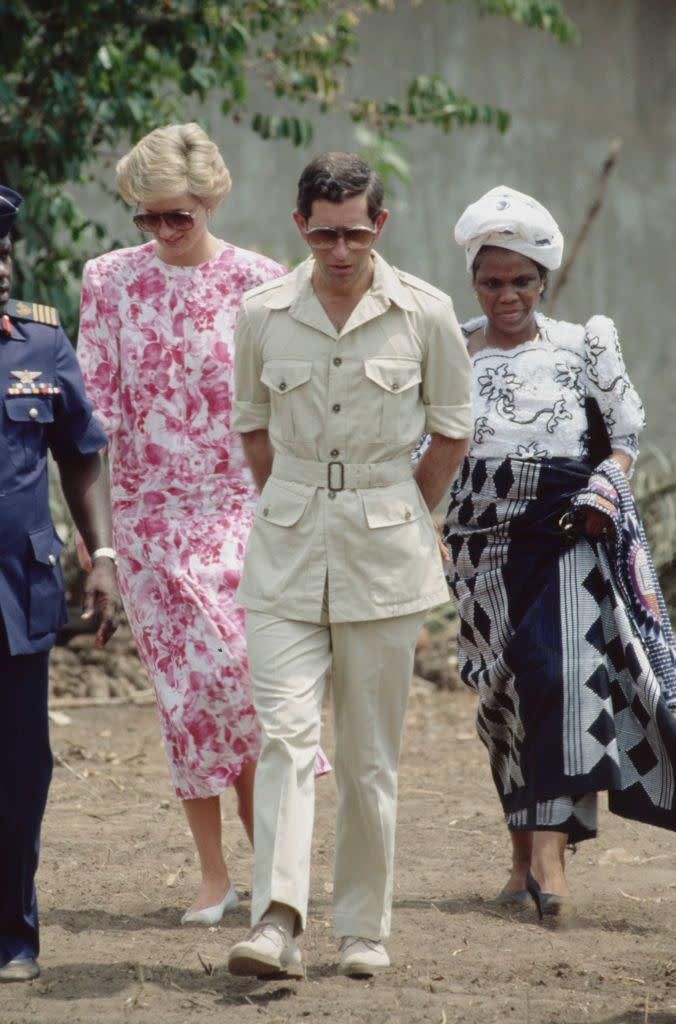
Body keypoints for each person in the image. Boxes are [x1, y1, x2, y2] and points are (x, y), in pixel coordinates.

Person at [227, 152, 473, 979]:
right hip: (287, 549)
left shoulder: (427, 314)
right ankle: (277, 921)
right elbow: (254, 429)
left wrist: (405, 509)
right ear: (300, 226)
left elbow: (451, 429)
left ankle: (363, 928)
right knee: (286, 737)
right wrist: (296, 501)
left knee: (370, 757)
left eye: (356, 234)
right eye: (325, 233)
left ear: (381, 227)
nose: (340, 250)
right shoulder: (261, 313)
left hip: (385, 550)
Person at [77, 122, 313, 926]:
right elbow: (94, 415)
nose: (161, 231)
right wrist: (95, 533)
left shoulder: (262, 280)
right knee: (185, 698)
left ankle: (273, 858)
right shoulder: (106, 280)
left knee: (247, 681)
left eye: (177, 215)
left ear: (211, 200)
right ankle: (217, 878)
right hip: (145, 522)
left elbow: (289, 407)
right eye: (145, 216)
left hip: (245, 513)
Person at [443, 185, 676, 920]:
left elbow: (625, 437)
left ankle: (550, 857)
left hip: (572, 525)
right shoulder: (449, 346)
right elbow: (426, 444)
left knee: (561, 670)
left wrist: (609, 485)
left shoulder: (584, 343)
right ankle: (520, 856)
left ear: (543, 279)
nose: (507, 294)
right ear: (473, 281)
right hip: (478, 541)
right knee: (505, 692)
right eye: (491, 280)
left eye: (521, 281)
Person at [0, 185, 121, 982]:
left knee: (18, 766)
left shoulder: (40, 347)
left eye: (3, 254)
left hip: (15, 592)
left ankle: (14, 931)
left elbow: (80, 449)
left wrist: (101, 553)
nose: (0, 269)